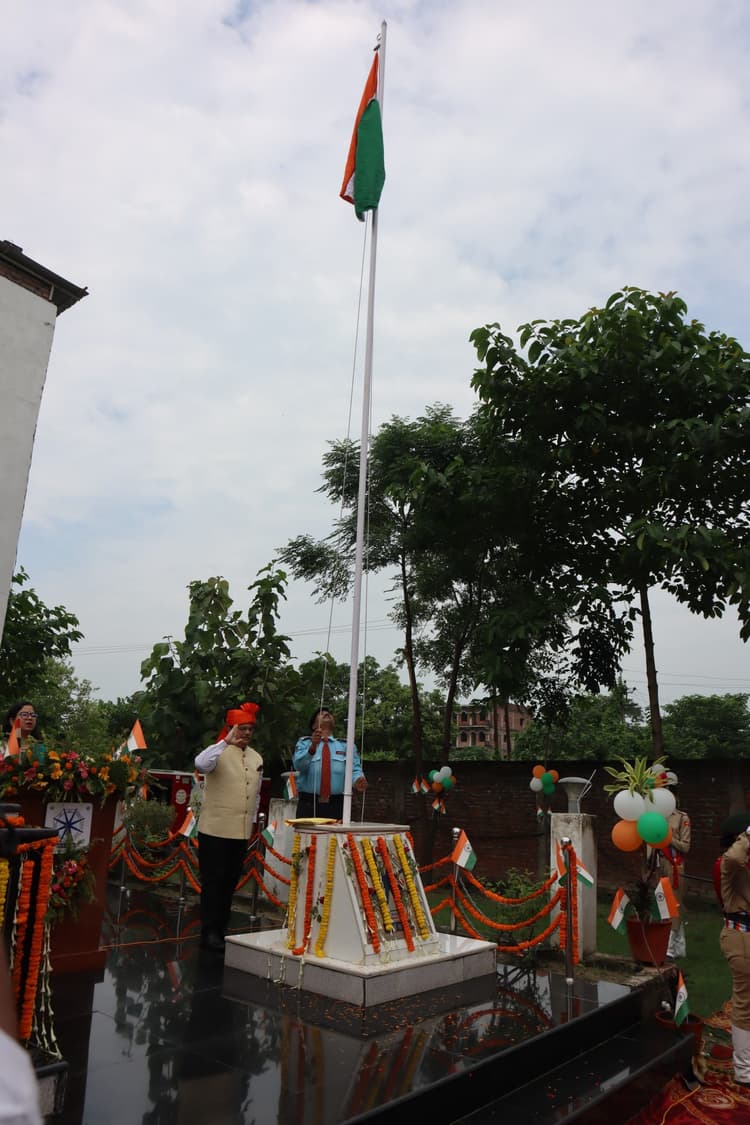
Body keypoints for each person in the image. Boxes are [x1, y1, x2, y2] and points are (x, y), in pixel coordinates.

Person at [194, 702, 263, 954]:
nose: (245, 733)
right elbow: (200, 765)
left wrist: (253, 822)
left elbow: (254, 795)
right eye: (240, 728)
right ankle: (209, 931)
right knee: (213, 881)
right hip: (215, 829)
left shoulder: (256, 757)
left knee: (230, 881)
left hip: (240, 830)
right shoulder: (217, 752)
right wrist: (225, 741)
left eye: (249, 729)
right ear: (231, 728)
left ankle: (221, 928)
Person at [719, 813, 750, 1087]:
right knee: (745, 1001)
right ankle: (744, 1070)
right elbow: (733, 858)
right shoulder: (729, 864)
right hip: (741, 936)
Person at [292, 707, 367, 820]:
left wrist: (358, 780)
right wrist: (312, 747)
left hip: (337, 804)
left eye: (329, 713)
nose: (326, 713)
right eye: (321, 713)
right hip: (308, 803)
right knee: (306, 838)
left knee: (336, 838)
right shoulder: (305, 743)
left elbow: (355, 769)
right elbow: (298, 766)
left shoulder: (346, 745)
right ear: (313, 726)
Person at [649, 774, 690, 958]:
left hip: (674, 865)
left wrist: (668, 837)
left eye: (670, 790)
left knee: (675, 906)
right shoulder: (655, 816)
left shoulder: (681, 818)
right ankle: (679, 946)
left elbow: (686, 846)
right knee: (661, 905)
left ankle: (670, 950)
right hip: (658, 866)